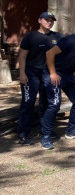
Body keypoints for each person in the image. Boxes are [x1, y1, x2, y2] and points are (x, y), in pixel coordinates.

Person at [41, 18, 75, 149]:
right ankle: (45, 136)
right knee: (54, 104)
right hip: (54, 72)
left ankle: (71, 130)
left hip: (69, 74)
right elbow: (49, 53)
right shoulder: (71, 40)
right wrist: (53, 73)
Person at [17, 12, 63, 145]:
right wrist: (22, 74)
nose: (49, 22)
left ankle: (46, 129)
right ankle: (23, 133)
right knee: (28, 102)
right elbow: (22, 56)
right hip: (31, 73)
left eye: (51, 20)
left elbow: (70, 43)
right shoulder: (30, 36)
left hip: (48, 73)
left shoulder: (57, 36)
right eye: (46, 20)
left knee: (47, 102)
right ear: (39, 20)